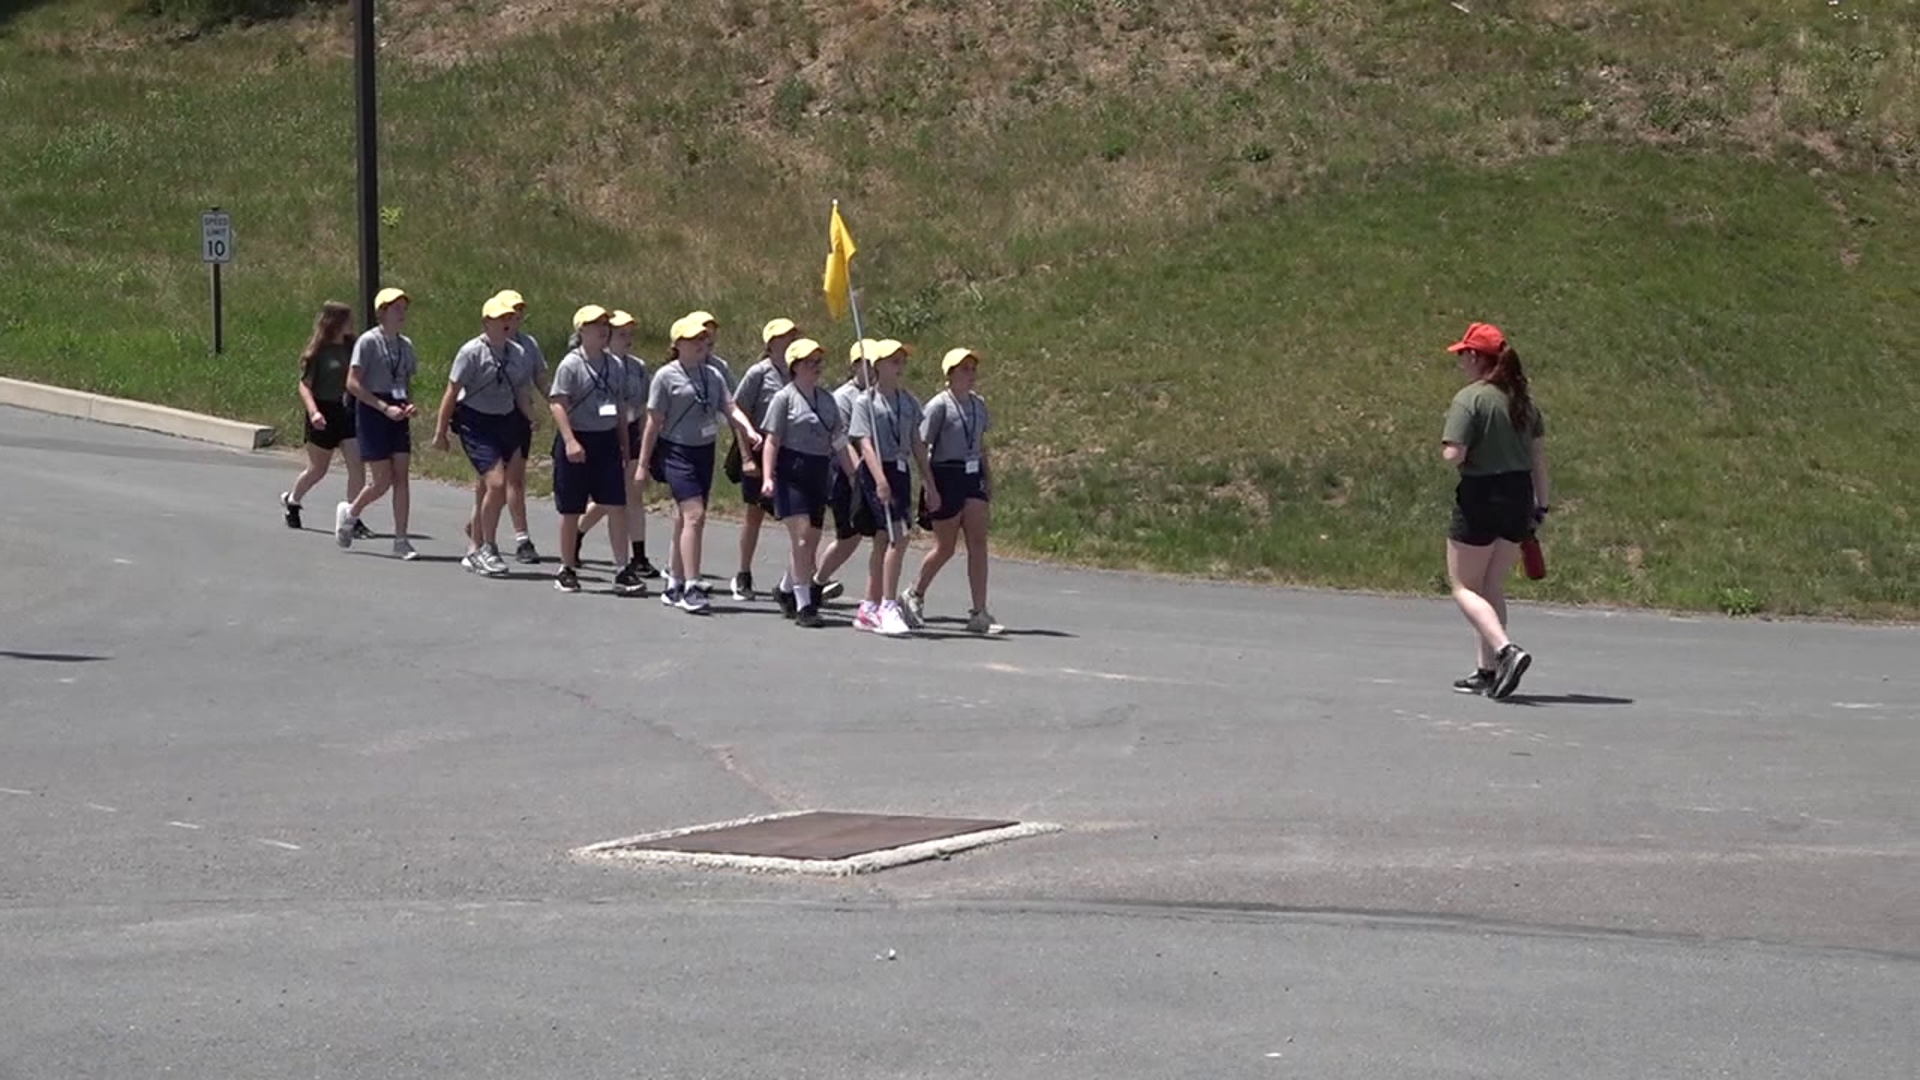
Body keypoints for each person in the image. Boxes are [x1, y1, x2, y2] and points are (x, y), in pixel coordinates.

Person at [1439, 321, 1549, 700]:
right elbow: (1538, 460)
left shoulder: (1470, 399)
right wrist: (1542, 505)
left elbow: (1455, 454)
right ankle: (1487, 672)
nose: (1460, 363)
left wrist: (1447, 452)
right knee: (1491, 585)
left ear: (1475, 356)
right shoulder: (1523, 401)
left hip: (1482, 494)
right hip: (1519, 495)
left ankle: (1506, 652)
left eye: (1462, 356)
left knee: (1464, 586)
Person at [640, 316, 763, 612]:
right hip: (676, 452)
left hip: (703, 451)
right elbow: (653, 423)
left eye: (703, 340)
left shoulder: (713, 375)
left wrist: (748, 429)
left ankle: (675, 581)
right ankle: (692, 586)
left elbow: (730, 407)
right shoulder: (665, 377)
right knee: (695, 515)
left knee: (686, 520)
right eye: (693, 340)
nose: (700, 344)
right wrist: (643, 464)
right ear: (677, 345)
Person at [432, 293, 536, 578]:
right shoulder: (471, 352)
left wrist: (530, 417)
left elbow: (521, 391)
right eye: (499, 318)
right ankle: (487, 548)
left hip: (507, 420)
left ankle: (477, 537)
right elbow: (452, 393)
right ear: (486, 323)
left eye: (508, 318)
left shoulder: (518, 353)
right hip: (476, 423)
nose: (506, 322)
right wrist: (441, 431)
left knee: (493, 488)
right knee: (497, 483)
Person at [547, 305, 646, 596]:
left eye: (605, 324)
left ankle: (621, 568)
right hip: (578, 438)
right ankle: (566, 568)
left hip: (606, 441)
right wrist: (570, 441)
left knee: (616, 504)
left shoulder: (614, 365)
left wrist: (625, 445)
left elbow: (619, 407)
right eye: (596, 325)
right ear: (581, 331)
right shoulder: (571, 365)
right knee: (571, 508)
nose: (603, 329)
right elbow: (557, 403)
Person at [759, 338, 857, 629]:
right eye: (808, 363)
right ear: (795, 367)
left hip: (818, 472)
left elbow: (839, 440)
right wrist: (767, 476)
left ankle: (786, 588)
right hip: (792, 471)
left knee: (809, 541)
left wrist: (854, 476)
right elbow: (772, 441)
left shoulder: (827, 400)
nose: (815, 367)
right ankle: (804, 604)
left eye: (818, 362)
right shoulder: (784, 399)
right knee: (801, 538)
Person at [903, 348, 1002, 634]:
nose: (970, 375)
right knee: (945, 546)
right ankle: (915, 593)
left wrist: (989, 477)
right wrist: (929, 486)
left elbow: (981, 444)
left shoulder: (978, 405)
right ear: (950, 375)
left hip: (973, 475)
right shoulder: (938, 406)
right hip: (946, 474)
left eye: (973, 369)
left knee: (978, 542)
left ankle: (979, 611)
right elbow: (922, 446)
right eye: (964, 369)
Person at [847, 338, 928, 636]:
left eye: (902, 361)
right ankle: (888, 605)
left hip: (901, 469)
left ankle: (868, 606)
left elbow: (917, 444)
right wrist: (880, 479)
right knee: (899, 536)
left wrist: (929, 482)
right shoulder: (865, 402)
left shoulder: (908, 401)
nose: (900, 366)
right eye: (894, 361)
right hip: (877, 470)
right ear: (878, 366)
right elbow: (864, 443)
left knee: (884, 539)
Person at [335, 287, 420, 559]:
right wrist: (383, 407)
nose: (402, 313)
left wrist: (407, 405)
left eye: (404, 308)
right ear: (381, 312)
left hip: (397, 410)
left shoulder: (406, 346)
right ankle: (351, 512)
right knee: (381, 480)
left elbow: (405, 382)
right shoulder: (368, 342)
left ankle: (401, 539)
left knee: (401, 475)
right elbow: (352, 383)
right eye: (396, 308)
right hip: (373, 410)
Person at [577, 311, 660, 579]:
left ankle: (638, 556)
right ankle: (577, 532)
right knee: (613, 499)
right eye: (621, 334)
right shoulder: (602, 364)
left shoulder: (637, 366)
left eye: (630, 334)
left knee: (630, 494)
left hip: (633, 431)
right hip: (607, 431)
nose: (628, 340)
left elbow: (647, 405)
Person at [727, 317, 803, 601]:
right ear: (771, 343)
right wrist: (747, 457)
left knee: (798, 516)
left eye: (793, 335)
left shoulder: (800, 372)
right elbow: (738, 414)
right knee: (755, 515)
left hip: (791, 452)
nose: (790, 340)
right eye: (785, 336)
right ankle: (744, 572)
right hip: (760, 449)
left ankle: (799, 577)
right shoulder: (759, 373)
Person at [280, 301, 370, 537]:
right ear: (336, 322)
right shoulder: (319, 352)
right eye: (348, 319)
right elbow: (304, 386)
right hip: (323, 411)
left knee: (357, 466)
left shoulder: (354, 347)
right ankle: (293, 501)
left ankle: (353, 517)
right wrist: (313, 412)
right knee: (318, 469)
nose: (352, 324)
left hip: (346, 411)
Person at [807, 340, 874, 607]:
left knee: (867, 535)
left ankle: (819, 581)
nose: (873, 369)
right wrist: (856, 473)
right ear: (856, 365)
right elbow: (842, 439)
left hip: (871, 471)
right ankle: (813, 582)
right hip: (843, 472)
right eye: (869, 363)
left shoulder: (877, 395)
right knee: (849, 534)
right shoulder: (843, 397)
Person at [495, 289, 544, 565]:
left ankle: (520, 538)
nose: (517, 318)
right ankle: (519, 537)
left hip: (519, 416)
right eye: (512, 313)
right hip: (492, 417)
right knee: (493, 482)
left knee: (514, 479)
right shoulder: (489, 345)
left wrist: (554, 401)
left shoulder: (528, 345)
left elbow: (539, 377)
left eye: (520, 312)